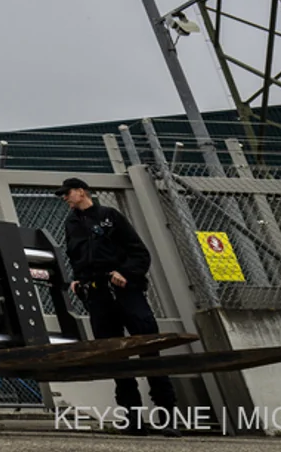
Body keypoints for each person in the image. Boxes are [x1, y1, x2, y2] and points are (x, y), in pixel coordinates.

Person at [56, 177, 177, 433]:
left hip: (124, 291)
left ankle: (167, 416)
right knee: (114, 354)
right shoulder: (71, 223)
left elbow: (139, 252)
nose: (64, 198)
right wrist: (79, 280)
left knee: (148, 346)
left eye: (67, 193)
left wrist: (126, 273)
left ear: (81, 191)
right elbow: (76, 256)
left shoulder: (109, 216)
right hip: (97, 295)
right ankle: (133, 418)